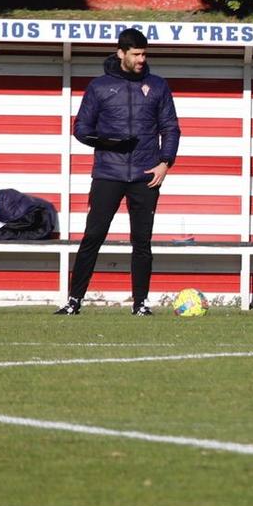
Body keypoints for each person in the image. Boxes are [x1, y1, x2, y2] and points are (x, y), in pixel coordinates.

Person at [58, 28, 180, 315]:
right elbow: (81, 129)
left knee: (142, 241)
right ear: (121, 53)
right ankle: (74, 301)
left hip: (146, 175)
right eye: (136, 54)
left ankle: (140, 304)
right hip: (108, 174)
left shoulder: (158, 85)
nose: (141, 59)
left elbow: (171, 128)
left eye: (144, 54)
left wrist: (165, 163)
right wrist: (107, 141)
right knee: (93, 236)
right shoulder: (99, 87)